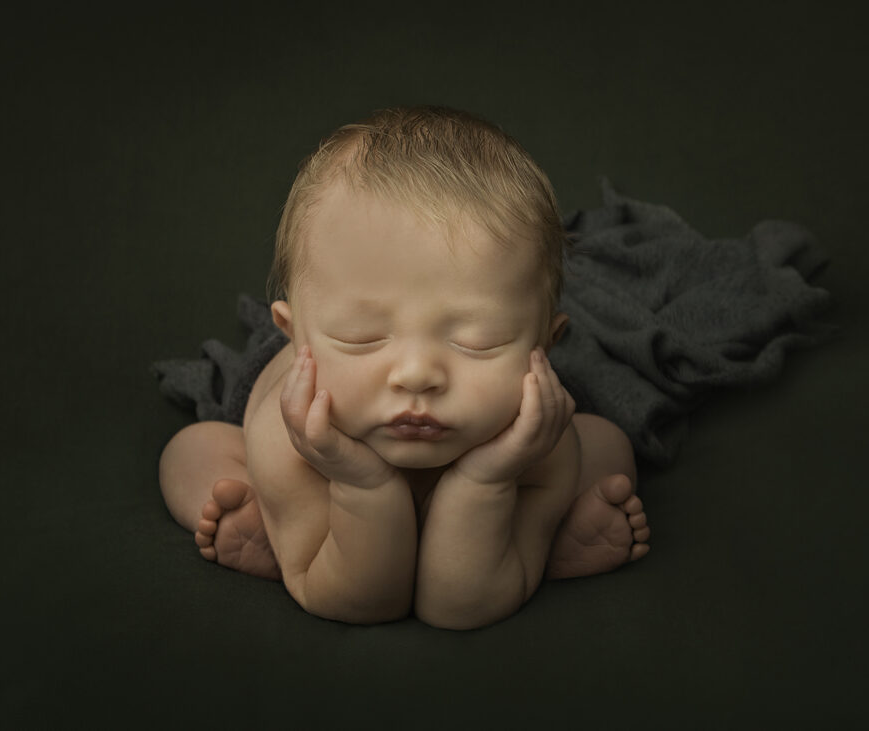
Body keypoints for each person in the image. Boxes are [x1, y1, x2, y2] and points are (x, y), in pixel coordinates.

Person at [157, 106, 650, 630]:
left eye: (478, 340)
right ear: (293, 333)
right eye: (360, 337)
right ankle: (290, 543)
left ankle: (537, 542)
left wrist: (488, 477)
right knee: (193, 451)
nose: (416, 374)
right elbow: (362, 601)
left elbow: (461, 607)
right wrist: (360, 483)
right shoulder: (287, 441)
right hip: (320, 469)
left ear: (545, 345)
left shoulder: (538, 449)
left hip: (507, 464)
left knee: (604, 443)